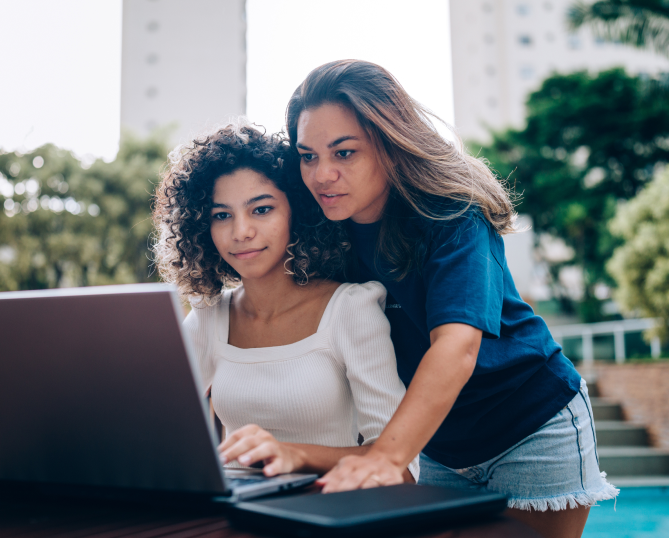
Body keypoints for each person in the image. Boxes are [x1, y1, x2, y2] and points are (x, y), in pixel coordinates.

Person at [285, 60, 617, 538]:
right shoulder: (325, 236)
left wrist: (386, 456)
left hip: (530, 424)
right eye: (308, 156)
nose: (322, 175)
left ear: (389, 143)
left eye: (344, 152)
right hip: (437, 445)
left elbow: (456, 347)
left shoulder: (453, 215)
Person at [152, 121, 419, 481]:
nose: (241, 231)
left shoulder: (349, 309)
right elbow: (154, 427)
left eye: (261, 209)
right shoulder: (209, 317)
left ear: (297, 212)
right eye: (221, 215)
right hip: (232, 511)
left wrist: (294, 455)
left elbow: (401, 468)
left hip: (321, 512)